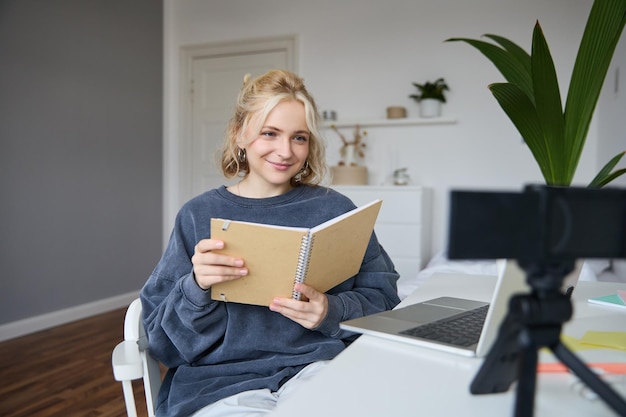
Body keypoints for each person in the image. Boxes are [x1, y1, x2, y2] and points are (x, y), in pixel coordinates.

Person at [140, 69, 401, 417]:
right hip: (220, 383)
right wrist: (195, 287)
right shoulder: (198, 215)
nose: (285, 151)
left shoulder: (335, 210)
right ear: (239, 135)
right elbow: (162, 344)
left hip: (319, 369)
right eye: (270, 133)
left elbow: (385, 302)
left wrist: (330, 311)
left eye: (299, 137)